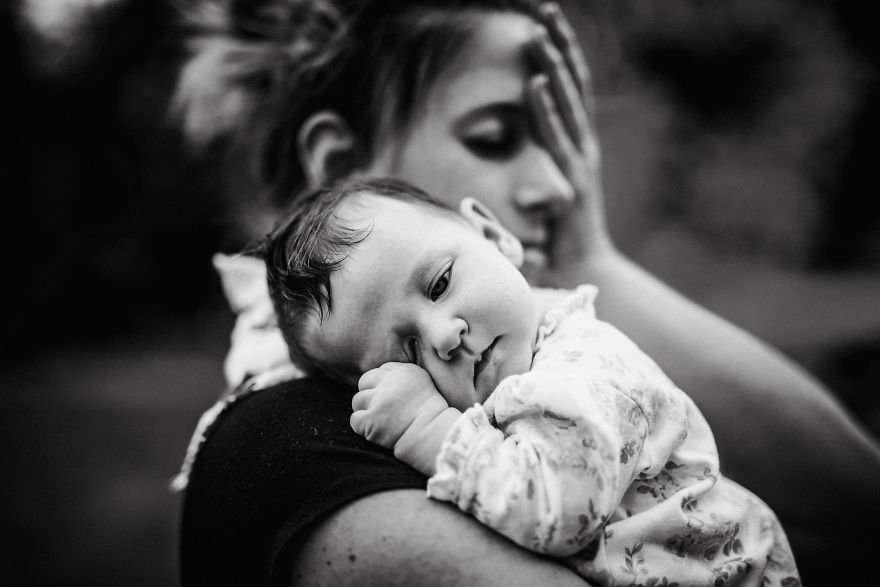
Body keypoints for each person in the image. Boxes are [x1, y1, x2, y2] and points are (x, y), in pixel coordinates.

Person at [172, 0, 880, 584]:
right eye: (496, 136)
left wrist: (588, 257)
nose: (559, 184)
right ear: (345, 169)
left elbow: (854, 499)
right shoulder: (296, 448)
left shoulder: (529, 346)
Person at [257, 176, 801, 586]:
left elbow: (561, 512)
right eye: (408, 351)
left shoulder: (584, 369)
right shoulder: (514, 371)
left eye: (440, 283)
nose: (445, 336)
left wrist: (431, 428)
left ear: (495, 236)